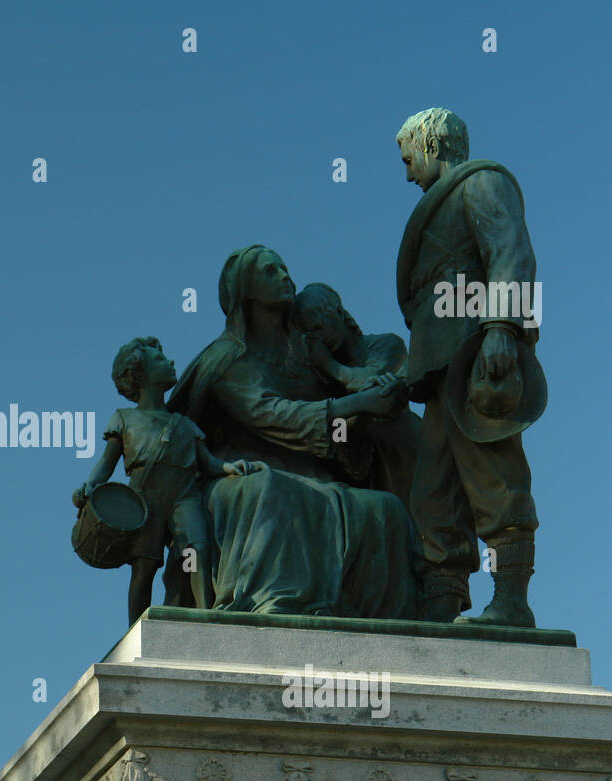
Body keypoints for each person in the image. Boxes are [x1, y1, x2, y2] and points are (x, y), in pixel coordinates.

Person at [166, 245, 423, 619]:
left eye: (285, 268)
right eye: (271, 272)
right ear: (245, 291)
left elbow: (338, 431)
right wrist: (359, 404)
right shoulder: (227, 359)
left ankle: (383, 619)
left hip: (311, 475)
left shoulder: (306, 355)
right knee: (273, 490)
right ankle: (275, 604)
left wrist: (361, 417)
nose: (285, 276)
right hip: (238, 473)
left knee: (386, 509)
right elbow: (275, 415)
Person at [395, 107, 542, 626]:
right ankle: (439, 608)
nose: (408, 172)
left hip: (477, 363)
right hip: (437, 374)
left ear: (432, 147)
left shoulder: (482, 184)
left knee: (494, 479)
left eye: (409, 157)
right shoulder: (439, 201)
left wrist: (502, 328)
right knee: (433, 496)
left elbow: (512, 254)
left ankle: (511, 603)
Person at [75, 336, 249, 624]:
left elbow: (207, 463)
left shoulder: (184, 424)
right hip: (145, 500)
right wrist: (90, 487)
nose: (170, 362)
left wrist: (229, 467)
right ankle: (134, 632)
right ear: (139, 375)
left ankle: (206, 617)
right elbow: (106, 464)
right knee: (145, 566)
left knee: (197, 549)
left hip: (184, 495)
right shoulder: (125, 418)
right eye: (158, 360)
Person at [293, 282, 419, 515]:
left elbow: (379, 392)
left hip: (402, 458)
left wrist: (331, 367)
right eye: (311, 335)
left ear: (339, 312)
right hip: (361, 479)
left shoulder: (385, 345)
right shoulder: (322, 385)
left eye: (319, 325)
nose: (319, 337)